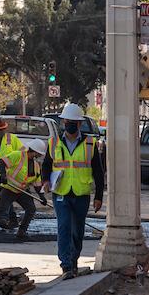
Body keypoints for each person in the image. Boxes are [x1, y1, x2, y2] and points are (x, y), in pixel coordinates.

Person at [42, 103, 104, 280]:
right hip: (60, 192)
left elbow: (98, 172)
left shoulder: (90, 144)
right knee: (64, 227)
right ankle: (66, 265)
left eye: (72, 122)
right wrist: (46, 180)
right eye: (66, 121)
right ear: (63, 122)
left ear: (78, 124)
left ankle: (74, 261)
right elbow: (46, 165)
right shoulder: (54, 142)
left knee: (77, 230)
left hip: (81, 193)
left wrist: (98, 197)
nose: (68, 124)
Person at [0, 139, 48, 240]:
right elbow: (1, 162)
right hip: (9, 188)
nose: (39, 156)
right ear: (35, 151)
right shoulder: (18, 155)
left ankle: (21, 232)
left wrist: (42, 196)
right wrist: (3, 175)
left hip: (22, 190)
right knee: (1, 209)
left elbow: (37, 183)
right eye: (39, 153)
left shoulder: (35, 165)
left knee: (31, 209)